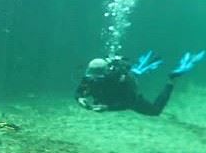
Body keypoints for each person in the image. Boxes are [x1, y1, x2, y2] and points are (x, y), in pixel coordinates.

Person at [75, 50, 203, 116]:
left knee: (155, 111)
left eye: (99, 77)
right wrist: (80, 99)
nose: (94, 80)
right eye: (92, 77)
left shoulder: (122, 79)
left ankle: (171, 80)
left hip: (127, 96)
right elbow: (80, 90)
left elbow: (129, 102)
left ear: (106, 74)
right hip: (110, 98)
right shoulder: (89, 77)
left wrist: (108, 108)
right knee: (135, 72)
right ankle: (139, 69)